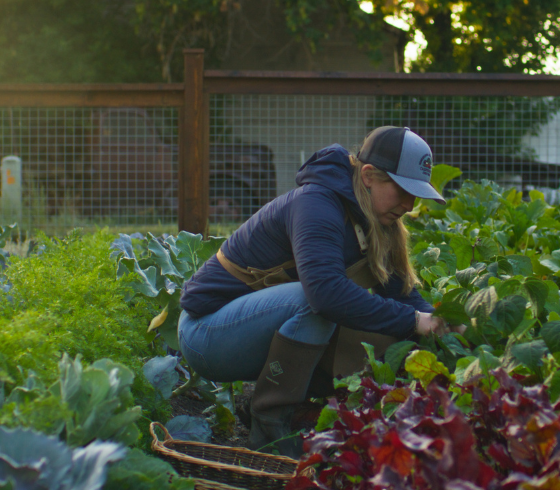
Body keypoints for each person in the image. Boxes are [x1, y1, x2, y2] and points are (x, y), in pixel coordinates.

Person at [177, 126, 456, 456]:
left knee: (375, 327)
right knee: (315, 303)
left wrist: (443, 324)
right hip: (208, 334)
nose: (409, 204)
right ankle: (271, 435)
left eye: (416, 194)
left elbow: (401, 293)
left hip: (250, 331)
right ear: (368, 176)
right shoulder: (318, 203)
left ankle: (291, 411)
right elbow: (325, 295)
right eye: (402, 190)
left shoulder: (373, 218)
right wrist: (412, 320)